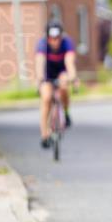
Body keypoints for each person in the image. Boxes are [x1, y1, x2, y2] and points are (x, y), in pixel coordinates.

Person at [34, 20, 77, 148]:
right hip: (47, 73)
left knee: (64, 87)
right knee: (46, 98)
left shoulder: (67, 42)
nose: (55, 41)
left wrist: (72, 76)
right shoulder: (42, 44)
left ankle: (66, 111)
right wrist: (40, 79)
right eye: (52, 38)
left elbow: (70, 62)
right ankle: (44, 135)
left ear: (61, 36)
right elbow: (39, 62)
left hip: (61, 71)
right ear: (47, 37)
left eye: (57, 38)